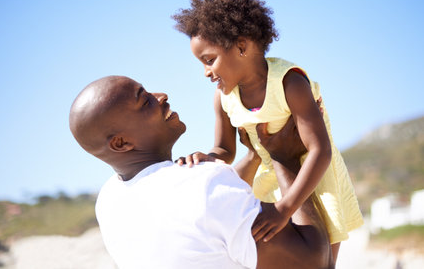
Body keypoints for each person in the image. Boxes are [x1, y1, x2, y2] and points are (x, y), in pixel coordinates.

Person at [172, 0, 363, 260]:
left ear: (241, 46)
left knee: (323, 261)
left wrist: (285, 208)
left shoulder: (289, 83)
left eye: (209, 60)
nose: (205, 72)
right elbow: (225, 151)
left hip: (314, 180)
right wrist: (207, 157)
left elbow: (320, 150)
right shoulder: (223, 98)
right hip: (268, 183)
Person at [69, 75, 333, 269]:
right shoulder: (203, 185)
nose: (161, 95)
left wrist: (254, 156)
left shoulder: (109, 201)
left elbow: (203, 216)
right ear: (121, 143)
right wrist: (284, 158)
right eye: (145, 100)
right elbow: (311, 262)